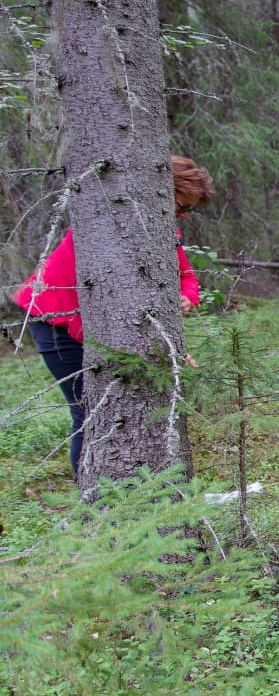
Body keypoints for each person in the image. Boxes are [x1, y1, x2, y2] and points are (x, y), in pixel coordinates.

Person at [14, 156, 213, 476]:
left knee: (127, 408)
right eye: (180, 205)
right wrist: (167, 350)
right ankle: (91, 497)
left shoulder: (162, 229)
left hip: (107, 328)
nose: (183, 215)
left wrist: (186, 299)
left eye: (189, 209)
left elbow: (187, 279)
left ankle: (133, 486)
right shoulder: (105, 228)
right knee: (90, 412)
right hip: (56, 321)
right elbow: (120, 302)